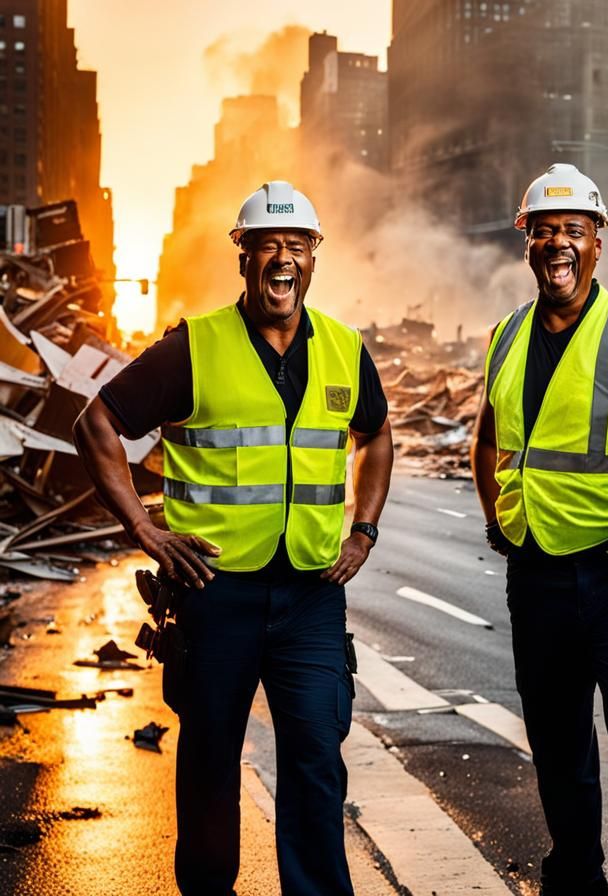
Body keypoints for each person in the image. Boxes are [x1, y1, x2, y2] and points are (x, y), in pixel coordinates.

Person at [74, 181, 394, 896]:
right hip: (215, 596)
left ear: (315, 256)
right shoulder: (196, 346)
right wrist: (144, 529)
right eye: (267, 246)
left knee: (316, 759)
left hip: (312, 596)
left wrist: (364, 529)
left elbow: (375, 434)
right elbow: (96, 425)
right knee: (212, 764)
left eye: (297, 246)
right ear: (243, 256)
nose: (283, 259)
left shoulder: (345, 349)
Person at [470, 163, 608, 896]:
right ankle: (577, 880)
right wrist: (497, 518)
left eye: (574, 230)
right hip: (534, 578)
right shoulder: (506, 336)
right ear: (526, 242)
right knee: (558, 743)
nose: (558, 243)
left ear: (598, 242)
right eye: (545, 231)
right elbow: (488, 439)